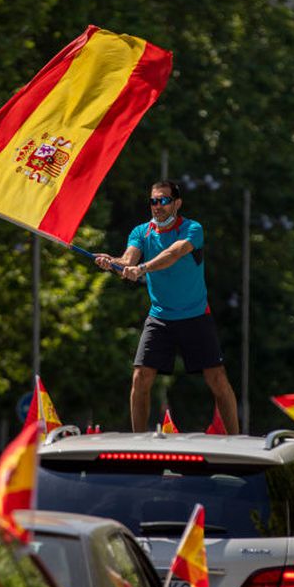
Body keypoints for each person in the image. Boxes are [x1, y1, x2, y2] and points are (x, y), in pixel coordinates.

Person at [94, 180, 240, 434]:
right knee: (140, 377)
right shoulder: (141, 232)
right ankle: (138, 442)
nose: (157, 206)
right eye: (153, 201)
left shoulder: (192, 229)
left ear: (177, 203)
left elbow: (172, 255)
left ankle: (236, 438)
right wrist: (112, 262)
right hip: (160, 317)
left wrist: (141, 269)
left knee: (217, 379)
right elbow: (128, 259)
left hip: (195, 315)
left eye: (163, 200)